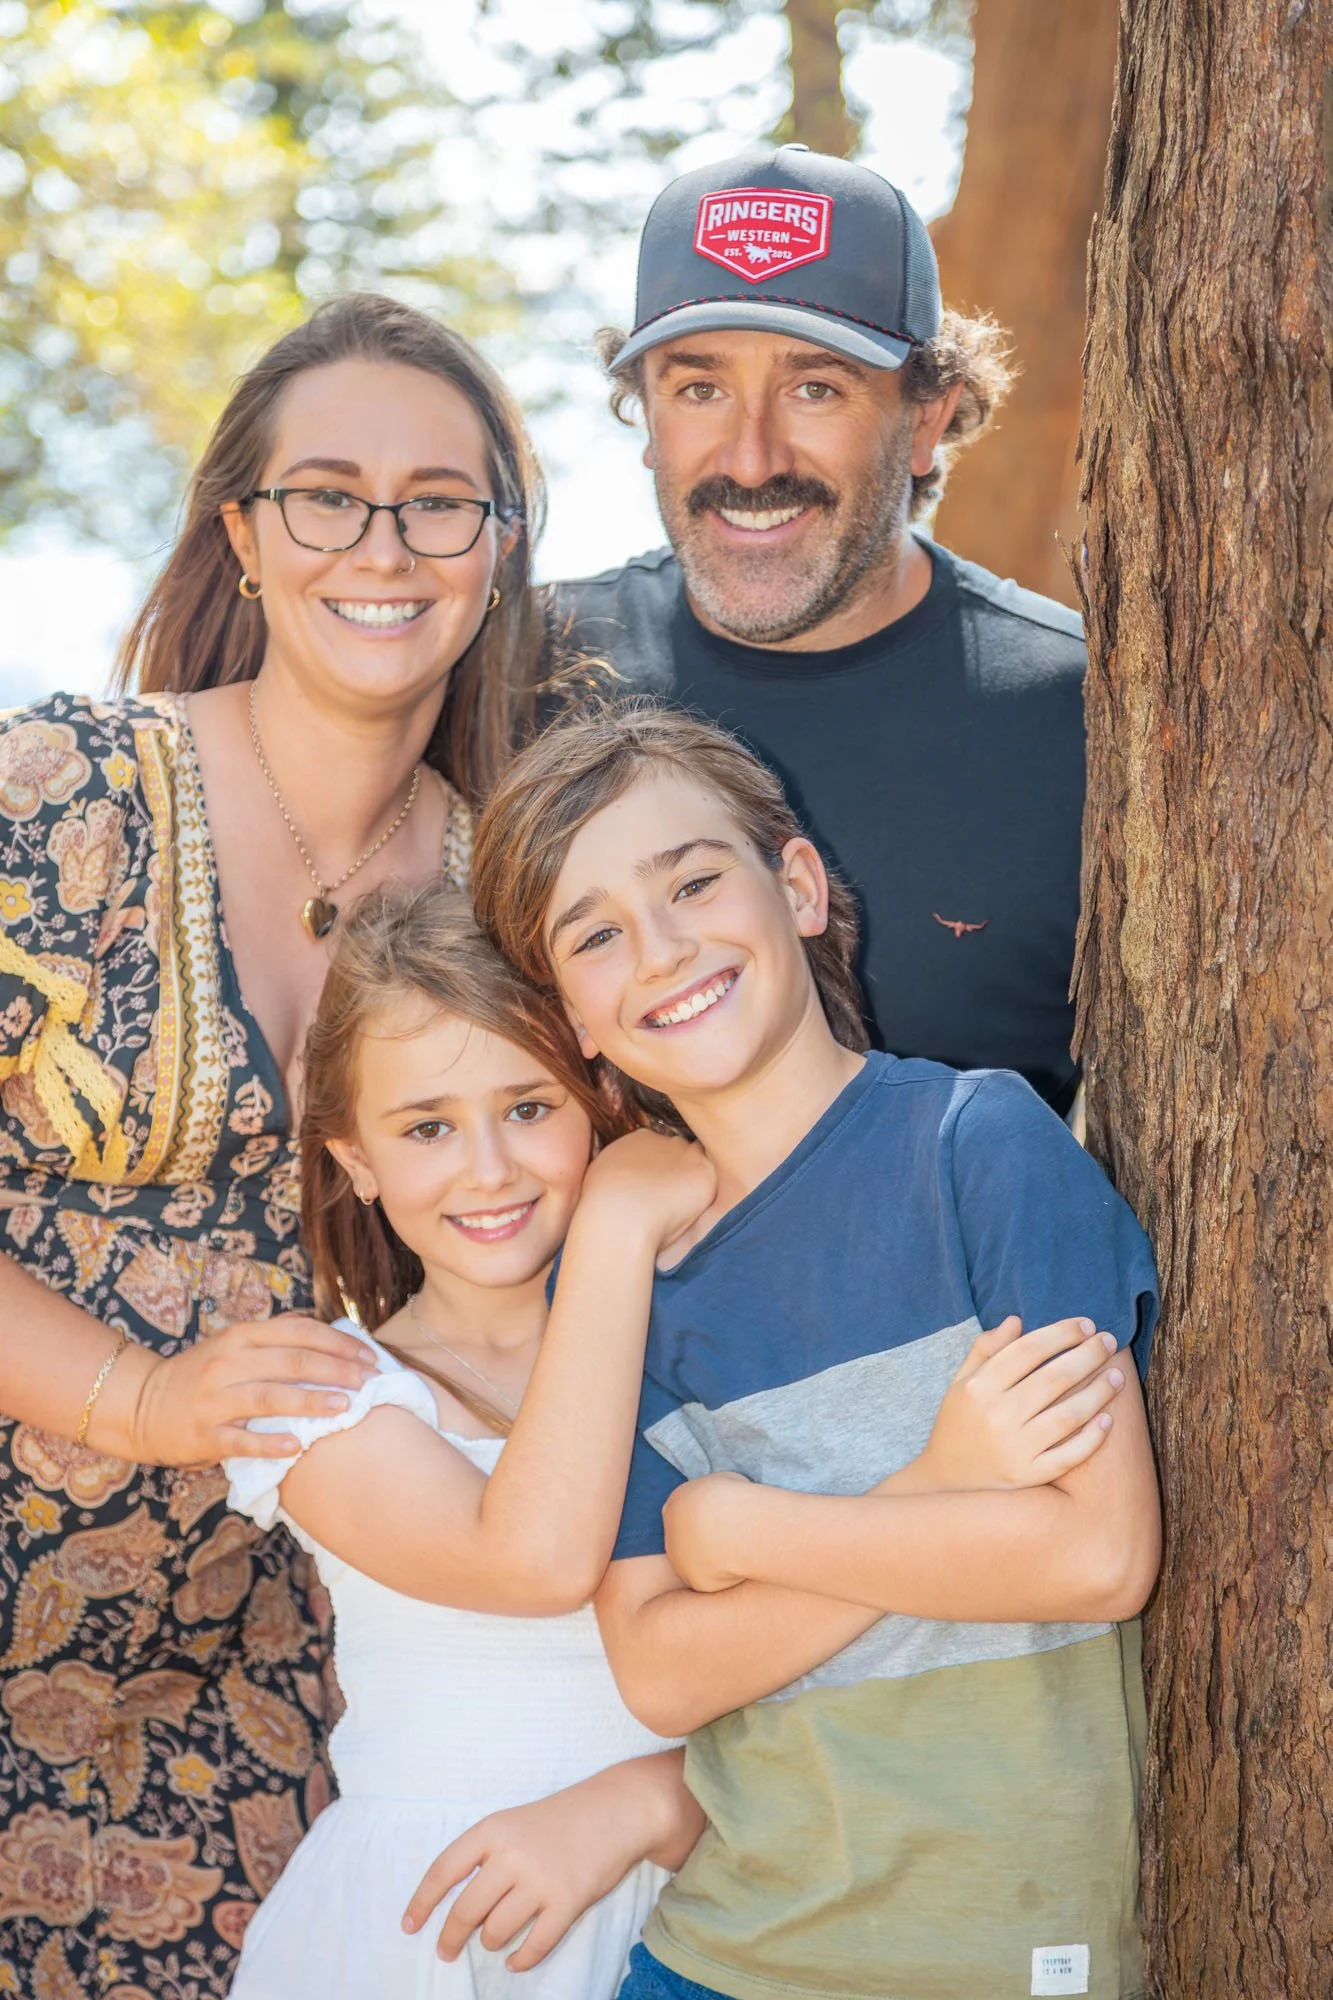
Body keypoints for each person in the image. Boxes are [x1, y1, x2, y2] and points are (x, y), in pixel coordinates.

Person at [0, 293, 546, 1997]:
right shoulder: (58, 790)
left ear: (495, 545)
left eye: (437, 500)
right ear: (241, 529)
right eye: (324, 491)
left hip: (288, 1693)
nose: (381, 544)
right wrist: (139, 1401)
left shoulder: (522, 891)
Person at [471, 702, 1162, 2000]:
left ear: (794, 886)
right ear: (574, 1020)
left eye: (692, 881)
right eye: (599, 934)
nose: (664, 947)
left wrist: (740, 1530)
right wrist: (934, 1485)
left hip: (1005, 1958)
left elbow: (1097, 1555)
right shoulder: (628, 1282)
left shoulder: (981, 1147)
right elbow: (661, 1673)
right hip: (719, 1960)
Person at [225, 881, 711, 1998]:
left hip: (700, 1899)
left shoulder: (698, 1353)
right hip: (427, 1937)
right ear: (355, 1156)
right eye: (429, 1126)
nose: (488, 1167)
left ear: (598, 1098)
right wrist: (620, 1222)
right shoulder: (325, 1394)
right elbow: (532, 1556)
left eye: (530, 1106)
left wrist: (648, 1795)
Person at [547, 143, 1087, 1116]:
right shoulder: (534, 665)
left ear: (928, 417)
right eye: (698, 388)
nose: (750, 459)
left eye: (815, 388)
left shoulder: (1079, 713)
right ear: (647, 416)